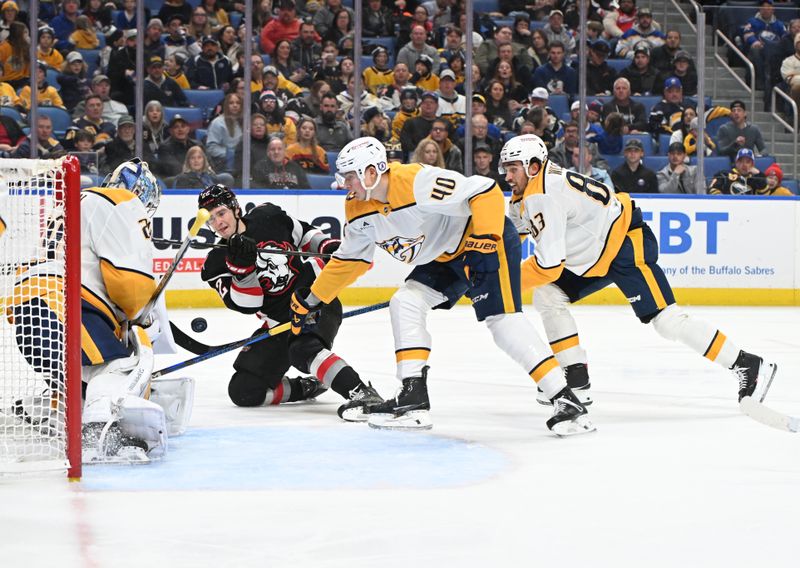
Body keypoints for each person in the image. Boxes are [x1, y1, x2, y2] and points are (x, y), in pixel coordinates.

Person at [289, 137, 594, 435]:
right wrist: (313, 300)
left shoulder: (415, 181)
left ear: (371, 172)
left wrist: (485, 239)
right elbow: (349, 260)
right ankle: (413, 399)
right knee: (406, 301)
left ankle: (566, 399)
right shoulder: (357, 208)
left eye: (350, 176)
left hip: (485, 241)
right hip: (445, 256)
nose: (344, 184)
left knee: (502, 321)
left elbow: (483, 189)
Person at [499, 133, 777, 413]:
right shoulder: (531, 189)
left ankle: (747, 364)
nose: (508, 176)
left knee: (668, 322)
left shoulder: (541, 195)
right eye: (506, 169)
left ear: (533, 166)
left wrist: (500, 286)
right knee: (548, 295)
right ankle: (575, 376)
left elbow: (548, 266)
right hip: (596, 251)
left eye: (513, 169)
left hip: (624, 244)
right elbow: (511, 241)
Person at [197, 184, 383, 418]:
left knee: (302, 349)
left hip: (314, 301)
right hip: (279, 324)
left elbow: (304, 234)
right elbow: (249, 305)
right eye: (211, 219)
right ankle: (305, 387)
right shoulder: (216, 261)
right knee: (243, 391)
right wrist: (242, 271)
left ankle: (362, 393)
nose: (218, 223)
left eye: (221, 213)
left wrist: (326, 246)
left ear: (236, 209)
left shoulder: (268, 216)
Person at [78, 159, 187, 462]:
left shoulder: (81, 200)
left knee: (85, 370)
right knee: (120, 365)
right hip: (67, 306)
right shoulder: (123, 203)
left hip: (27, 305)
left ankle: (64, 407)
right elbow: (129, 285)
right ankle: (98, 432)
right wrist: (141, 315)